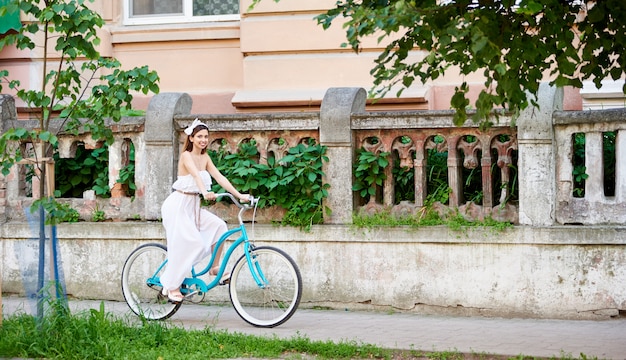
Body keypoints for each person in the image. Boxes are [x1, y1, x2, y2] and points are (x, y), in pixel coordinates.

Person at [160, 118, 250, 303]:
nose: (203, 140)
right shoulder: (186, 156)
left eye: (206, 136)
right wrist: (204, 191)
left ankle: (215, 267)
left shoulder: (206, 157)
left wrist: (240, 195)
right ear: (191, 138)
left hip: (193, 206)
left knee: (219, 226)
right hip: (178, 205)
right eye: (199, 136)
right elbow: (194, 174)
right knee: (194, 244)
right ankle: (172, 286)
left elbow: (219, 177)